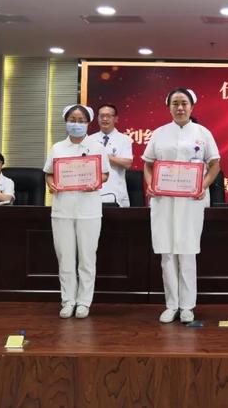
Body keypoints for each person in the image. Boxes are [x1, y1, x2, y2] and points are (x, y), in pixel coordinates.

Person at [142, 88, 221, 324]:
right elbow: (148, 164)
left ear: (191, 106)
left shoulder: (202, 133)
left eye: (184, 103)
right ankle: (171, 305)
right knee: (167, 252)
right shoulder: (159, 133)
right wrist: (151, 184)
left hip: (191, 201)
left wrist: (202, 186)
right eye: (175, 103)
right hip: (164, 200)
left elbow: (215, 164)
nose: (179, 107)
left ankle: (187, 306)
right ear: (169, 107)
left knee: (187, 252)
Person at [43, 104, 109, 319]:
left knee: (87, 258)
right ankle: (68, 300)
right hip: (62, 209)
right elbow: (49, 173)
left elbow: (105, 174)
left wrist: (96, 181)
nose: (76, 124)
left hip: (89, 209)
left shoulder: (97, 147)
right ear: (66, 121)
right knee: (65, 257)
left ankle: (84, 302)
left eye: (81, 120)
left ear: (88, 123)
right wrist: (51, 184)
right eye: (73, 120)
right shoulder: (57, 148)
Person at [88, 104, 134, 207]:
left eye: (108, 116)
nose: (105, 119)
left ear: (116, 119)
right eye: (102, 116)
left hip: (116, 194)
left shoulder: (125, 140)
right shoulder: (89, 140)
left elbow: (127, 163)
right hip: (93, 192)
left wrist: (103, 156)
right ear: (97, 118)